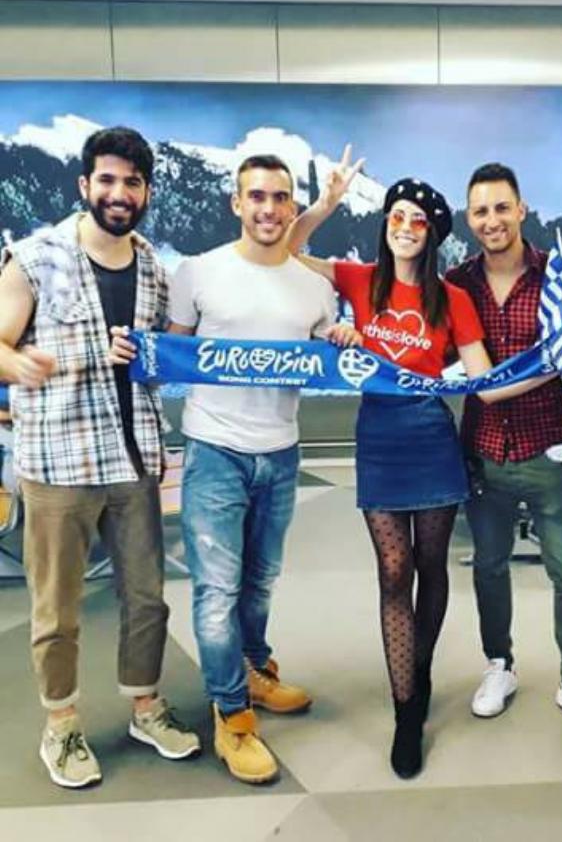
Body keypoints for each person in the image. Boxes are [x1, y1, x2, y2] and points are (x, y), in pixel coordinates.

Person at [111, 150, 361, 785]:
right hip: (214, 451)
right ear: (237, 203)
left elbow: (325, 345)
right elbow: (173, 351)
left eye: (279, 197)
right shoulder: (200, 272)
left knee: (260, 582)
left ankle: (253, 669)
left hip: (281, 452)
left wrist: (340, 338)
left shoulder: (313, 286)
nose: (268, 209)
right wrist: (135, 352)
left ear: (291, 205)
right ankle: (232, 715)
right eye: (257, 196)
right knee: (218, 592)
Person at [286, 172, 548, 779]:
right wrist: (324, 205)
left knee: (431, 566)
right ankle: (407, 710)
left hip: (431, 439)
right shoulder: (359, 280)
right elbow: (290, 250)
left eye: (418, 221)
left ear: (431, 234)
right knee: (393, 570)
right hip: (379, 440)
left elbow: (485, 382)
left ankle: (418, 674)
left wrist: (547, 367)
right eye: (397, 217)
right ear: (386, 224)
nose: (405, 228)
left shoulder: (450, 299)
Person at [0, 126, 200, 789]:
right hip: (58, 464)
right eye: (107, 180)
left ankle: (145, 707)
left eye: (132, 182)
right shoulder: (35, 259)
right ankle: (61, 725)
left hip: (135, 460)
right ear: (85, 184)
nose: (119, 193)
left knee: (147, 599)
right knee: (57, 609)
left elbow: (163, 354)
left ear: (146, 192)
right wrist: (23, 365)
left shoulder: (154, 269)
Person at [446, 163, 562, 736]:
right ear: (469, 219)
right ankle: (500, 665)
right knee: (489, 566)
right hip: (483, 452)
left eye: (501, 207)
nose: (491, 220)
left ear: (520, 209)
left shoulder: (561, 277)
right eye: (480, 211)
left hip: (548, 446)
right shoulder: (457, 283)